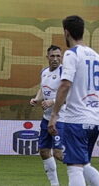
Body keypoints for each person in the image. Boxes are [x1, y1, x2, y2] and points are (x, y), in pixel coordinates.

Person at [48, 16, 99, 186]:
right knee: (85, 164)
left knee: (74, 167)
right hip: (95, 120)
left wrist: (54, 115)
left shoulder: (71, 54)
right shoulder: (98, 57)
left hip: (76, 120)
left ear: (66, 32)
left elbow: (65, 84)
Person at [30, 45, 65, 185]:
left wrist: (53, 101)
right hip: (46, 119)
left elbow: (71, 95)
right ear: (47, 57)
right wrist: (37, 98)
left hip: (61, 118)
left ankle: (83, 167)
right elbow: (42, 88)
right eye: (53, 56)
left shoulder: (65, 72)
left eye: (58, 56)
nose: (56, 59)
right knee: (44, 151)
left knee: (58, 154)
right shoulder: (44, 72)